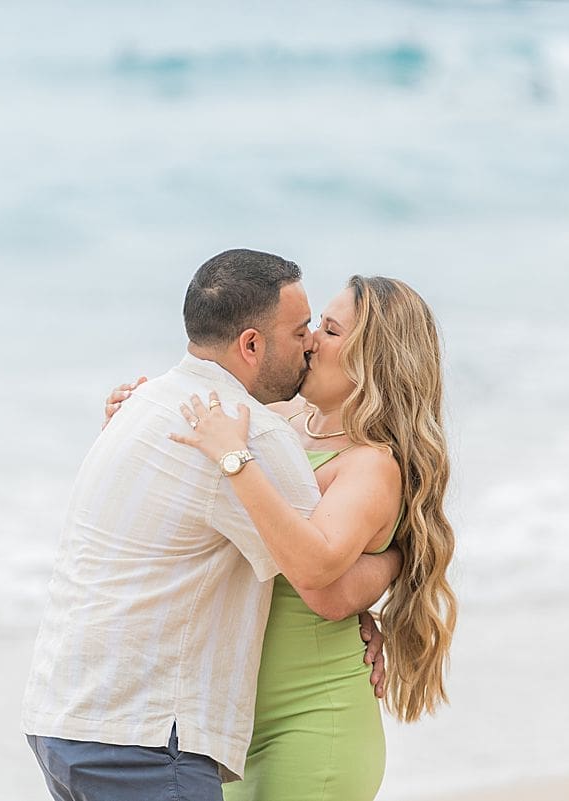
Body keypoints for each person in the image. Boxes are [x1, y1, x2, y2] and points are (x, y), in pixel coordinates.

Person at [21, 249, 400, 801]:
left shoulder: (146, 406)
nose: (311, 341)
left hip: (64, 716)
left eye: (323, 329)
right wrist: (401, 557)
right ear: (251, 344)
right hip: (145, 736)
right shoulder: (258, 438)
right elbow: (321, 575)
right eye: (302, 330)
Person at [105, 275, 457, 800]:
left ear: (373, 362)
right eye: (315, 324)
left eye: (331, 331)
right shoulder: (281, 418)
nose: (310, 338)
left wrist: (235, 460)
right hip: (228, 727)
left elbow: (320, 585)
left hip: (312, 722)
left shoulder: (371, 466)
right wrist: (135, 417)